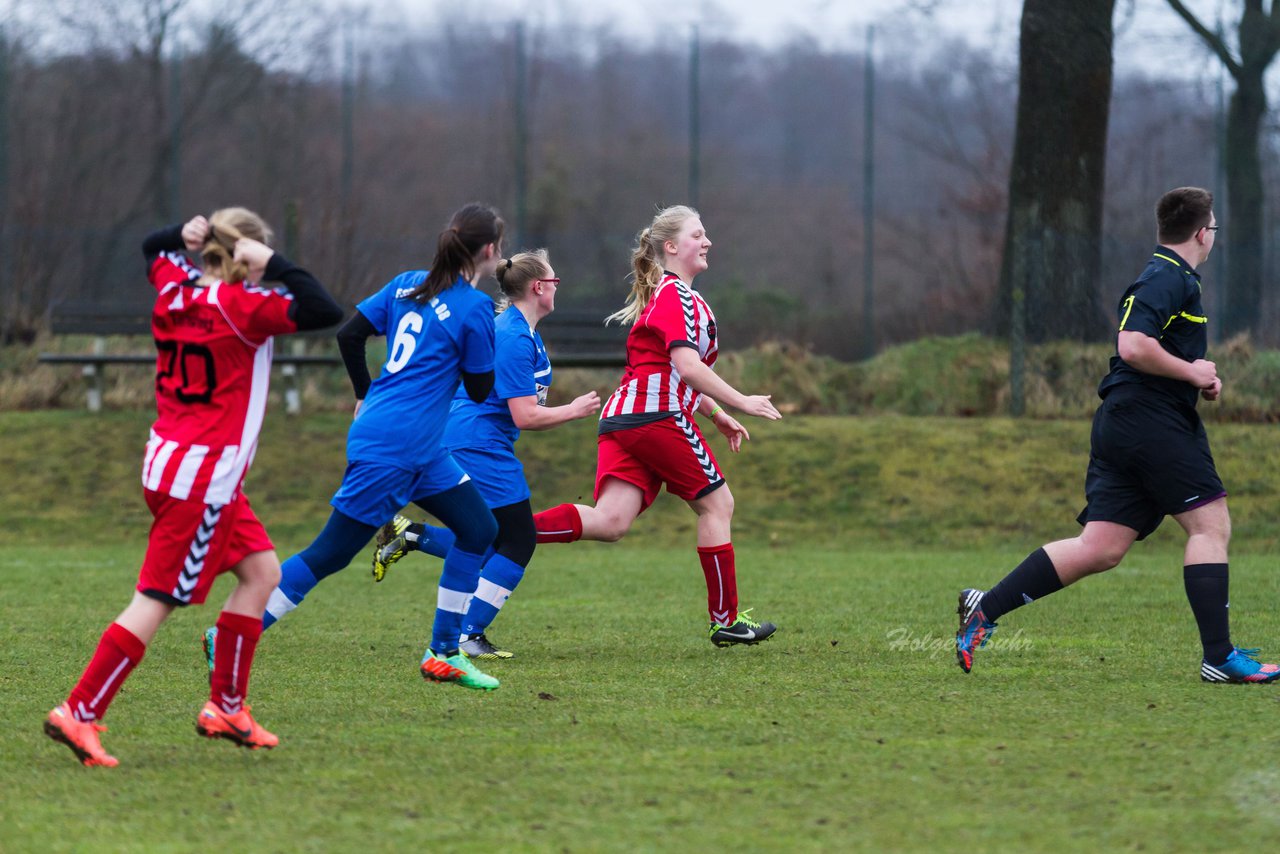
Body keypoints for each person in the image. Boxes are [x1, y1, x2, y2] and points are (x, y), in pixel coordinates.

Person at [44, 209, 344, 767]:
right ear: (248, 257)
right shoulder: (242, 307)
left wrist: (181, 232)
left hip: (173, 466)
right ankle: (78, 711)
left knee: (262, 573)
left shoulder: (173, 288)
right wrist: (275, 263)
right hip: (203, 482)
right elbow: (325, 309)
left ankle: (227, 707)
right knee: (155, 600)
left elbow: (150, 248)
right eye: (258, 261)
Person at [956, 186, 1280, 683]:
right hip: (1150, 423)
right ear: (1201, 233)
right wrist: (1192, 374)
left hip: (1129, 421)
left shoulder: (1170, 277)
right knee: (1210, 527)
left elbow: (1152, 351)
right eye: (1213, 228)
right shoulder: (1167, 277)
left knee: (1100, 548)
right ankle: (1219, 656)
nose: (1213, 236)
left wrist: (1193, 374)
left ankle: (986, 606)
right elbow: (1132, 346)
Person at [210, 203, 506, 691]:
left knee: (479, 529)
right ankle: (232, 635)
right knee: (331, 552)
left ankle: (444, 652)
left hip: (417, 446)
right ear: (491, 251)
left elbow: (350, 334)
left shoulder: (408, 281)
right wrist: (485, 345)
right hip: (398, 447)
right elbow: (477, 390)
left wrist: (364, 392)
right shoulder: (475, 309)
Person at [526, 205, 782, 647]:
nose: (707, 242)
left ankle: (509, 532)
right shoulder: (673, 296)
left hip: (627, 418)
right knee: (718, 506)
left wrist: (718, 416)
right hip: (654, 417)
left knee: (610, 522)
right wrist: (740, 400)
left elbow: (669, 371)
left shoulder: (675, 296)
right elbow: (686, 365)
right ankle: (725, 620)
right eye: (698, 234)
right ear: (671, 246)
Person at [370, 250, 601, 659]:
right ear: (538, 287)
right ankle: (467, 634)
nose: (556, 286)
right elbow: (525, 415)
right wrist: (575, 410)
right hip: (477, 442)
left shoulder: (522, 329)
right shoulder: (512, 336)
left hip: (473, 437)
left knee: (491, 540)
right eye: (555, 280)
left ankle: (412, 537)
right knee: (519, 539)